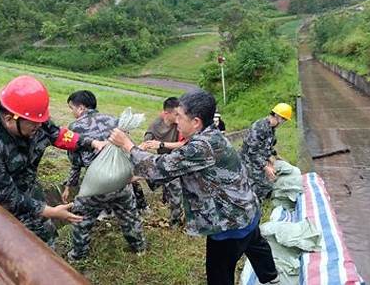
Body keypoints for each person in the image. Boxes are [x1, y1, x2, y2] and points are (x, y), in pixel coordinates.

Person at [109, 90, 278, 285]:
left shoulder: (201, 147)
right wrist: (136, 174)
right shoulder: (211, 135)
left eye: (179, 116)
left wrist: (127, 144)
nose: (176, 121)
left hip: (228, 223)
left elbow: (159, 168)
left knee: (219, 273)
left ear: (196, 121)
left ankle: (269, 278)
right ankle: (272, 278)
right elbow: (178, 164)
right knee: (257, 246)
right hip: (246, 209)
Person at [0, 76, 103, 245]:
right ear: (9, 119)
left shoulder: (34, 121)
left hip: (26, 189)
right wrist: (50, 211)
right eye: (34, 125)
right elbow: (8, 198)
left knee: (45, 235)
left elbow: (58, 134)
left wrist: (92, 143)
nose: (39, 127)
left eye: (41, 123)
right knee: (9, 247)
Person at [61, 90, 146, 261]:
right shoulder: (114, 120)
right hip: (121, 181)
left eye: (72, 108)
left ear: (81, 108)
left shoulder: (75, 127)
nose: (72, 112)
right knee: (129, 215)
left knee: (81, 218)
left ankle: (78, 255)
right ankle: (139, 247)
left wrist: (70, 186)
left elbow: (75, 161)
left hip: (96, 185)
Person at [139, 97, 185, 227]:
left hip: (178, 159)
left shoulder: (181, 124)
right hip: (163, 160)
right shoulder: (155, 125)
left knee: (176, 190)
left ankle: (176, 223)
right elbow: (146, 141)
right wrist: (144, 146)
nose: (179, 117)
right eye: (176, 114)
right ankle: (147, 204)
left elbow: (184, 144)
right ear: (166, 113)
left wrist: (161, 144)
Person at [238, 103, 292, 201]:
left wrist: (277, 157)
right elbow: (252, 152)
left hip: (258, 159)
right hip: (248, 161)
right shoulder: (259, 127)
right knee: (266, 186)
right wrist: (266, 167)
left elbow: (267, 147)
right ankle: (253, 202)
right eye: (283, 119)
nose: (284, 122)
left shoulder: (271, 128)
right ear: (276, 115)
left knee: (273, 180)